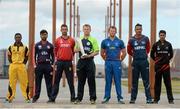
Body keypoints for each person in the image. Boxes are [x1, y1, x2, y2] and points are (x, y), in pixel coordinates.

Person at [48, 24, 76, 103]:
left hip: (68, 62)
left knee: (70, 81)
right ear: (61, 30)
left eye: (65, 29)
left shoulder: (72, 40)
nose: (64, 30)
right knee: (56, 80)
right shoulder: (57, 40)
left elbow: (73, 51)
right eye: (63, 29)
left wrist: (70, 57)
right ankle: (52, 98)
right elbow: (55, 51)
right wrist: (57, 58)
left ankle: (73, 98)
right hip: (59, 62)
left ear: (67, 30)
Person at [127, 23, 152, 104]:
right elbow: (128, 50)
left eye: (140, 29)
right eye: (137, 29)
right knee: (134, 81)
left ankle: (149, 98)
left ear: (142, 30)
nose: (139, 30)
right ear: (135, 30)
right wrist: (134, 55)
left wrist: (143, 55)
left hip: (144, 62)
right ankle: (133, 99)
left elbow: (148, 49)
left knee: (146, 81)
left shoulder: (146, 38)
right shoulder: (131, 40)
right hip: (136, 62)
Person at [101, 26, 126, 104]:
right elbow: (102, 53)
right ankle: (106, 97)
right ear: (109, 31)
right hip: (108, 62)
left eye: (114, 31)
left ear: (116, 32)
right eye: (111, 31)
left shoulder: (120, 41)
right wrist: (106, 60)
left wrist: (119, 60)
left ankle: (120, 98)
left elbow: (124, 52)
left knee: (117, 80)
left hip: (117, 62)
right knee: (108, 81)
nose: (112, 32)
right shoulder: (104, 41)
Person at [74, 24, 99, 104]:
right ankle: (79, 98)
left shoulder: (93, 39)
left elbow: (97, 51)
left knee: (91, 81)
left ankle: (92, 98)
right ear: (83, 30)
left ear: (90, 30)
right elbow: (75, 50)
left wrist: (89, 55)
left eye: (88, 29)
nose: (86, 30)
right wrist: (79, 49)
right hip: (81, 62)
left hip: (90, 62)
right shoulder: (79, 39)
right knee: (81, 81)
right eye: (85, 29)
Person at [5, 33, 31, 103]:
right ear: (14, 38)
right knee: (11, 82)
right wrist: (12, 62)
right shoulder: (11, 47)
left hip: (21, 66)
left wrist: (23, 63)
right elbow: (9, 56)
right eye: (16, 37)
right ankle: (10, 97)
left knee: (24, 82)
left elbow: (27, 56)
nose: (18, 38)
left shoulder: (25, 47)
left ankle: (27, 98)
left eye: (19, 37)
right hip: (13, 66)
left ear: (21, 38)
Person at [150, 30, 174, 104]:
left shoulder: (168, 44)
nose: (162, 36)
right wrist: (157, 61)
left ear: (165, 36)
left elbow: (171, 54)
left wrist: (166, 60)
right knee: (157, 84)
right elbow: (151, 55)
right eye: (161, 35)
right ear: (159, 36)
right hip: (158, 67)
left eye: (163, 35)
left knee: (168, 83)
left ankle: (170, 99)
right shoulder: (155, 45)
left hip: (166, 67)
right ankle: (156, 99)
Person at [32, 30, 54, 103]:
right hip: (39, 66)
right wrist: (35, 65)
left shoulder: (50, 45)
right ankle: (36, 96)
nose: (44, 36)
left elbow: (53, 56)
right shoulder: (37, 45)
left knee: (49, 82)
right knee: (38, 82)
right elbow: (34, 55)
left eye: (45, 34)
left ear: (47, 35)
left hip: (48, 65)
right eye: (42, 35)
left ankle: (51, 97)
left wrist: (52, 65)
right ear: (40, 35)